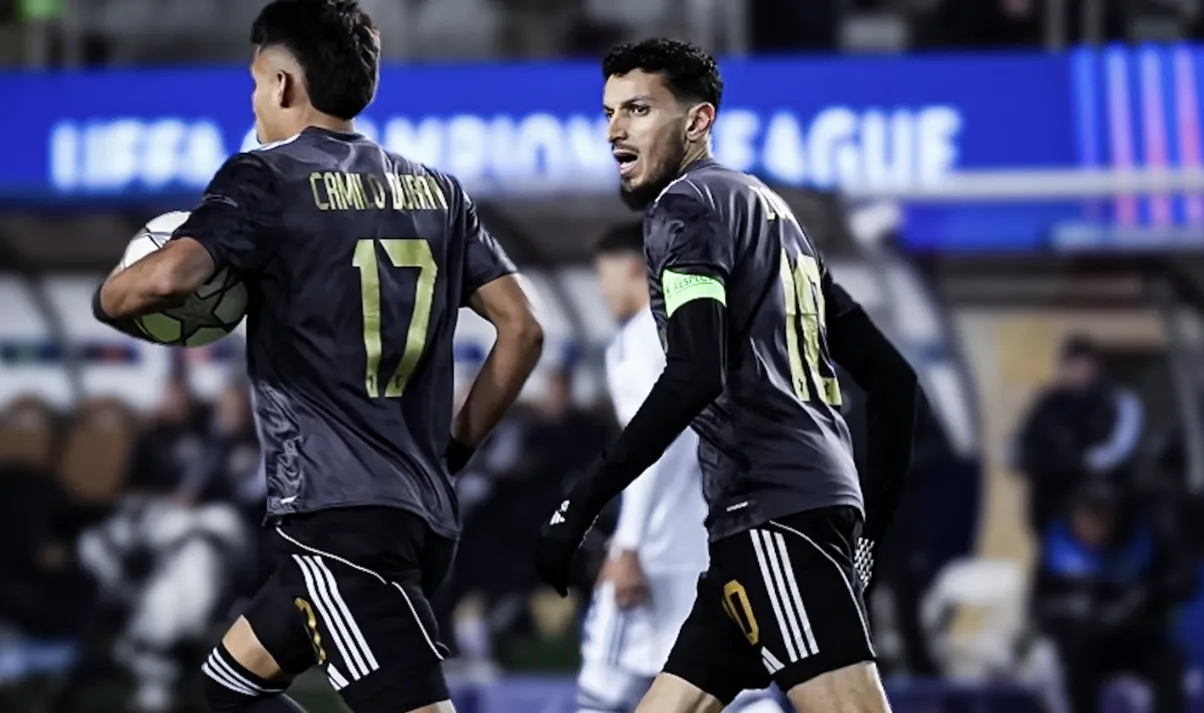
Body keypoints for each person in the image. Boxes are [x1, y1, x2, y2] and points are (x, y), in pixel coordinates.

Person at [91, 2, 545, 712]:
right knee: (225, 693)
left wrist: (108, 299)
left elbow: (168, 278)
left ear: (281, 84)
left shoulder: (266, 176)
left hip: (335, 524)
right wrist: (452, 451)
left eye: (254, 83)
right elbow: (524, 329)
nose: (253, 100)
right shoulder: (440, 191)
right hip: (416, 512)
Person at [534, 39, 921, 713]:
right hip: (781, 515)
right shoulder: (774, 215)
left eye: (638, 109)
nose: (615, 129)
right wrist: (869, 537)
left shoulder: (686, 208)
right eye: (609, 112)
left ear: (698, 120)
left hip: (772, 509)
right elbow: (893, 380)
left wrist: (580, 503)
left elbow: (694, 373)